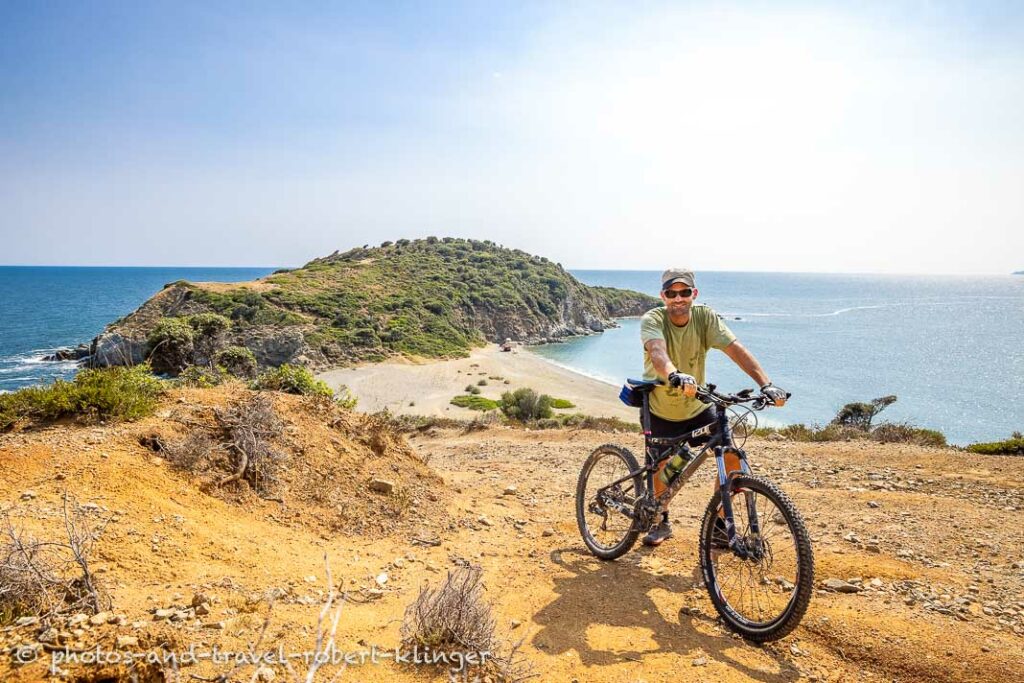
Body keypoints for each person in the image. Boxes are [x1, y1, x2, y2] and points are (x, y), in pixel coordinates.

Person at [640, 267, 788, 546]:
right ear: (663, 295)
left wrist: (766, 384)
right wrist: (674, 374)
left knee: (732, 457)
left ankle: (720, 526)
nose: (678, 298)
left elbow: (736, 349)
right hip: (660, 408)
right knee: (664, 470)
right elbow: (657, 352)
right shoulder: (653, 318)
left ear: (694, 293)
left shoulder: (705, 317)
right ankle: (660, 521)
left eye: (684, 292)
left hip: (697, 406)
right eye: (672, 293)